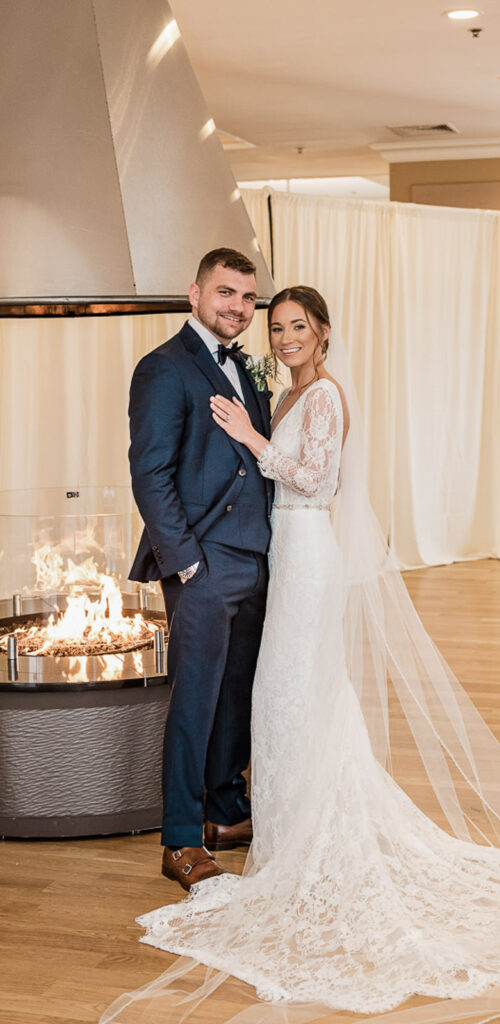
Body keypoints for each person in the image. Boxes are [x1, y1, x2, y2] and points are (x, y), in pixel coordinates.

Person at [108, 286, 500, 1024]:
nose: (285, 337)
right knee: (279, 690)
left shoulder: (324, 395)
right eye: (277, 326)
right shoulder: (279, 390)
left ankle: (310, 823)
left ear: (324, 332)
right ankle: (262, 817)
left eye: (297, 326)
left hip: (305, 551)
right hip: (268, 557)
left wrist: (255, 439)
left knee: (302, 687)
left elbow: (316, 479)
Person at [128, 248, 273, 890]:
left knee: (236, 694)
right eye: (225, 292)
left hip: (254, 558)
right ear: (194, 294)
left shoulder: (245, 366)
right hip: (204, 564)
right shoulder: (163, 367)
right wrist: (187, 564)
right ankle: (181, 840)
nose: (237, 307)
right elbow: (150, 474)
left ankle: (225, 813)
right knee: (194, 701)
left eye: (247, 297)